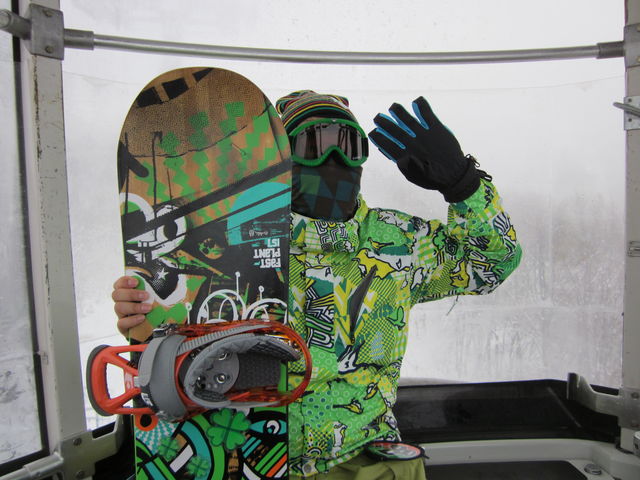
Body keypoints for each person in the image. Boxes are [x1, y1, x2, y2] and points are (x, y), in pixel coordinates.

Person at [112, 90, 522, 479]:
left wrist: (463, 184)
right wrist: (144, 313)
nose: (334, 157)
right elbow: (182, 333)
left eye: (349, 144)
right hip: (256, 462)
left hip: (365, 461)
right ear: (282, 158)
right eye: (313, 143)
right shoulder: (235, 245)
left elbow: (492, 263)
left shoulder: (399, 244)